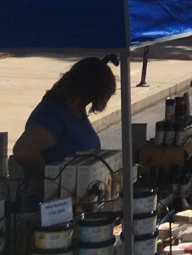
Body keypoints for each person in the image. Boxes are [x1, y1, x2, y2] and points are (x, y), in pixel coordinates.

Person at [14, 57, 117, 193]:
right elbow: (23, 151)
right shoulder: (53, 114)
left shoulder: (77, 109)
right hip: (49, 206)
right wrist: (47, 179)